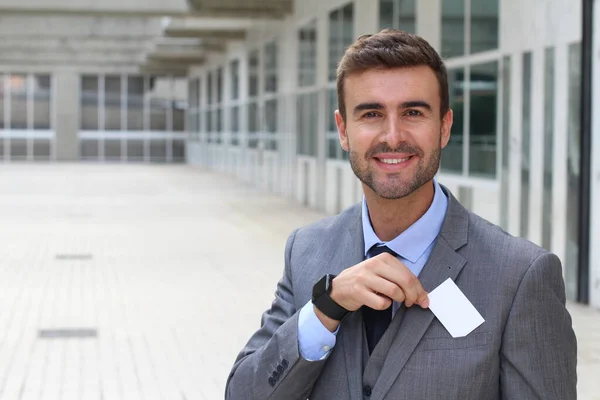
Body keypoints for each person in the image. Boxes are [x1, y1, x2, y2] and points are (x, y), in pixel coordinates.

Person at [225, 29, 577, 400]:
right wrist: (325, 309)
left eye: (412, 112)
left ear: (444, 127)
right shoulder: (306, 251)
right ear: (343, 130)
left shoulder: (520, 276)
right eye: (372, 113)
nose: (393, 136)